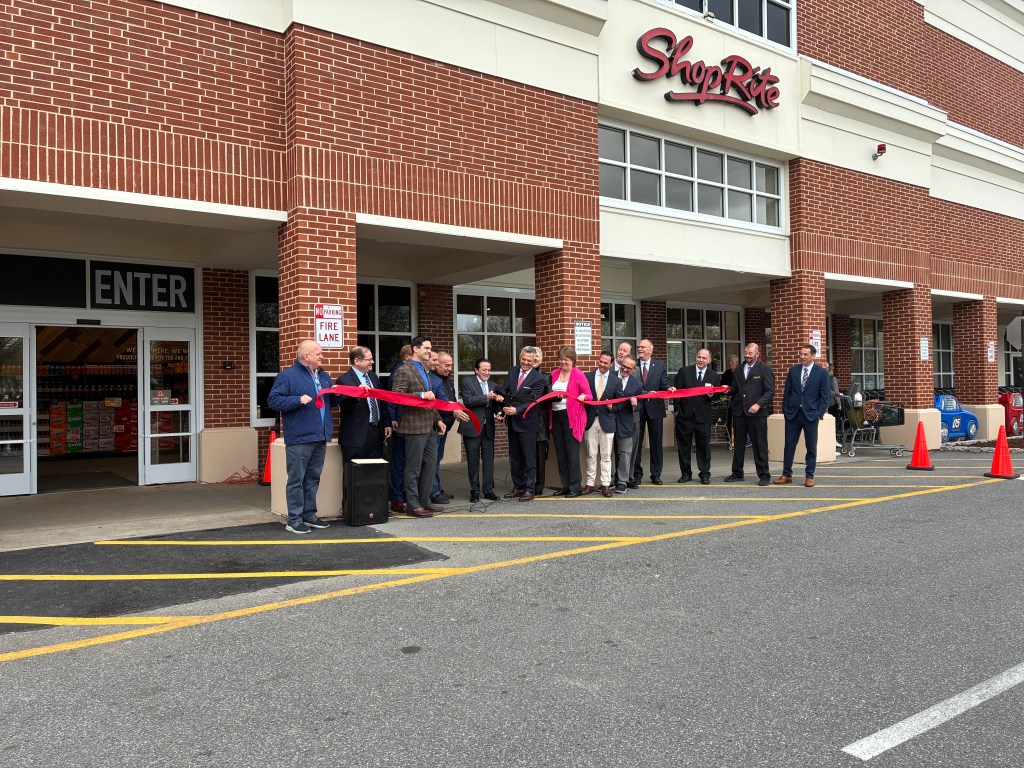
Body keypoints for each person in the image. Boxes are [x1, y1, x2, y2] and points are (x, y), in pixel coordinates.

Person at [267, 340, 338, 534]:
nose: (322, 357)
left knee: (313, 478)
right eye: (319, 354)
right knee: (296, 480)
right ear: (306, 356)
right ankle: (294, 519)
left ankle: (309, 515)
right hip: (300, 437)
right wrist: (297, 400)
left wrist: (344, 392)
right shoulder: (287, 376)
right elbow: (273, 400)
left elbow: (331, 401)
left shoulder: (324, 376)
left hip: (320, 436)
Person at [389, 336, 447, 517]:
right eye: (426, 348)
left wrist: (438, 419)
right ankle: (413, 505)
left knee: (430, 465)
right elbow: (396, 396)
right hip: (413, 427)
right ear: (415, 349)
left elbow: (431, 401)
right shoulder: (404, 370)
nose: (429, 351)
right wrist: (421, 394)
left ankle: (424, 501)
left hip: (430, 426)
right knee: (413, 468)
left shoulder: (424, 369)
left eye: (430, 348)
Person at [775, 344, 832, 487]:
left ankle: (809, 476)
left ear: (813, 356)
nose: (802, 356)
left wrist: (819, 413)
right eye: (801, 354)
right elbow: (787, 392)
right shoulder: (793, 371)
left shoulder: (822, 372)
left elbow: (825, 396)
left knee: (811, 447)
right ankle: (786, 474)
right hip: (793, 414)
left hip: (811, 415)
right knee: (789, 445)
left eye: (805, 354)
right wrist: (786, 410)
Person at [495, 345, 546, 501]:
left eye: (529, 360)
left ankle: (529, 489)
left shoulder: (538, 378)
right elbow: (505, 391)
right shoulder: (512, 371)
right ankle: (518, 487)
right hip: (512, 422)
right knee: (515, 456)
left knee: (529, 457)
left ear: (534, 360)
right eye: (523, 359)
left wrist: (516, 410)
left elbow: (534, 401)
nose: (525, 363)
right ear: (520, 358)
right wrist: (500, 408)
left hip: (527, 423)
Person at [725, 343, 775, 486]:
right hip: (740, 412)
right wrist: (727, 389)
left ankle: (764, 475)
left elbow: (769, 392)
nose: (747, 355)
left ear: (757, 354)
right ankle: (737, 473)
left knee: (760, 445)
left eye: (750, 353)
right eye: (746, 352)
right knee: (739, 444)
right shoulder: (739, 369)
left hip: (757, 414)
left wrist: (758, 404)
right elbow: (735, 388)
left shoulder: (764, 369)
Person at [673, 348, 721, 485]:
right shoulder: (684, 372)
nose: (701, 360)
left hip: (703, 417)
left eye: (704, 358)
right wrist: (677, 410)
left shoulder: (714, 376)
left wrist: (712, 393)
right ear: (696, 357)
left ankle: (705, 474)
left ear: (709, 360)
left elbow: (716, 396)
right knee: (683, 446)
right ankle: (685, 474)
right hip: (685, 416)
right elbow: (677, 392)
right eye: (699, 357)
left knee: (704, 447)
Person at [549, 346, 592, 497]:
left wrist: (583, 397)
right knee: (561, 453)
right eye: (561, 359)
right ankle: (565, 485)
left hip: (572, 417)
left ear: (573, 361)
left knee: (572, 454)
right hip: (555, 416)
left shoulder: (578, 374)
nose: (562, 362)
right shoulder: (554, 374)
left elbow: (589, 395)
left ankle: (575, 487)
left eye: (566, 360)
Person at [335, 345, 390, 463]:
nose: (372, 362)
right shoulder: (344, 380)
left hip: (376, 433)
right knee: (354, 476)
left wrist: (386, 423)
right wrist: (357, 394)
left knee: (374, 472)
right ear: (357, 361)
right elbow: (344, 405)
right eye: (369, 359)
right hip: (355, 437)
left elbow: (382, 402)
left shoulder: (374, 377)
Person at [459, 357, 501, 503]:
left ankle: (488, 490)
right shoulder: (467, 382)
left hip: (488, 427)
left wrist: (499, 413)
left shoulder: (494, 385)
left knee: (489, 460)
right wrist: (485, 397)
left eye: (489, 370)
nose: (487, 372)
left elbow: (495, 406)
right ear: (476, 370)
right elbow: (468, 401)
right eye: (484, 369)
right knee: (473, 460)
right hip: (472, 426)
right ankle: (475, 491)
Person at [631, 338, 669, 485]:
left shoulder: (660, 365)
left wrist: (669, 389)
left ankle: (656, 474)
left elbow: (664, 384)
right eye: (639, 347)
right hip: (637, 409)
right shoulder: (633, 365)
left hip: (656, 409)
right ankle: (637, 474)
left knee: (656, 444)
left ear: (650, 350)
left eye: (643, 347)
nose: (639, 349)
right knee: (636, 443)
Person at [584, 351, 621, 496]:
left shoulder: (615, 381)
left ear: (611, 364)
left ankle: (606, 484)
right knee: (591, 454)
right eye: (601, 361)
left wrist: (613, 406)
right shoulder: (588, 377)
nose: (602, 365)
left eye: (606, 363)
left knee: (606, 455)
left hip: (607, 421)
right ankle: (590, 484)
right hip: (590, 420)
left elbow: (621, 403)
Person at [429, 350, 460, 505]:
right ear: (437, 365)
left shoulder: (446, 379)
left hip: (445, 426)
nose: (449, 368)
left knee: (438, 458)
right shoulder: (433, 380)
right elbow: (437, 404)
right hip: (436, 425)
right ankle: (433, 491)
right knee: (433, 460)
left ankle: (437, 487)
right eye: (446, 365)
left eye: (451, 365)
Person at [386, 344, 412, 513]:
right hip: (401, 423)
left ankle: (404, 494)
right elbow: (393, 397)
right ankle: (396, 497)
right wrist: (393, 418)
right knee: (399, 462)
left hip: (410, 423)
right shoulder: (400, 371)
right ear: (407, 357)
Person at [613, 356, 643, 493]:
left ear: (633, 369)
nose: (624, 369)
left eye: (628, 368)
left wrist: (635, 404)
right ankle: (608, 480)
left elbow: (640, 405)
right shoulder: (610, 376)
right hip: (608, 419)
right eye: (623, 366)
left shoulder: (637, 384)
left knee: (625, 452)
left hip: (626, 421)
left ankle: (622, 481)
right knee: (606, 453)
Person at [531, 347, 552, 496]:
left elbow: (550, 393)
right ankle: (525, 483)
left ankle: (539, 484)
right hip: (523, 420)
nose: (534, 360)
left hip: (539, 421)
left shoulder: (545, 377)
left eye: (536, 357)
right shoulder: (519, 375)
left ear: (540, 360)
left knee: (539, 455)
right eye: (531, 357)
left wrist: (555, 396)